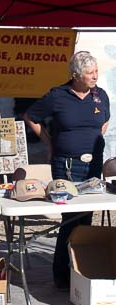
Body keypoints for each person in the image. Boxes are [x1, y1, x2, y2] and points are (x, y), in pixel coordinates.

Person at [23, 51, 110, 290]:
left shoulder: (100, 95)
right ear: (75, 75)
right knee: (70, 219)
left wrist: (93, 140)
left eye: (96, 71)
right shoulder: (57, 96)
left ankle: (84, 269)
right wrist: (50, 143)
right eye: (90, 73)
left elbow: (105, 121)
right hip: (67, 164)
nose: (95, 76)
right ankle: (62, 275)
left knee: (87, 219)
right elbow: (30, 116)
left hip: (93, 163)